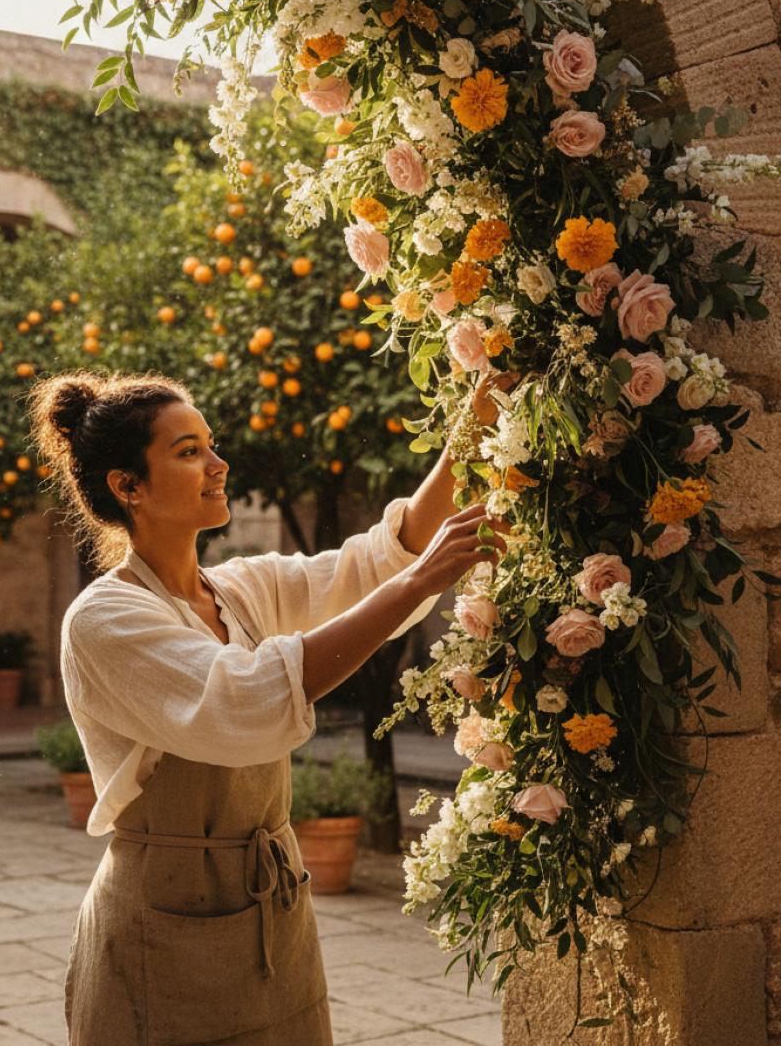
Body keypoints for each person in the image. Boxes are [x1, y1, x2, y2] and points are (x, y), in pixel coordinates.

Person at [28, 369, 509, 1046]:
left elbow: (371, 564)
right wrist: (423, 578)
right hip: (159, 931)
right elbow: (248, 700)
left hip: (274, 912)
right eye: (189, 452)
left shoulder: (237, 591)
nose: (219, 465)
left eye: (211, 445)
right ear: (127, 486)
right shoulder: (104, 619)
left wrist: (472, 429)